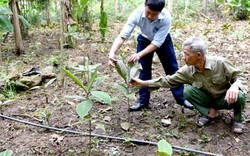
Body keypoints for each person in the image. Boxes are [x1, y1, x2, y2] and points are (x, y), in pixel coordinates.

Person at [130, 36, 248, 134]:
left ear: (198, 55)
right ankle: (210, 113)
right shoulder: (187, 71)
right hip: (208, 100)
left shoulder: (220, 63)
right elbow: (168, 81)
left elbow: (241, 76)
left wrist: (235, 86)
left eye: (186, 54)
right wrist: (143, 83)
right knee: (187, 91)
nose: (183, 57)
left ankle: (238, 119)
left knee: (240, 95)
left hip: (226, 99)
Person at [108, 0, 193, 111]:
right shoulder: (136, 14)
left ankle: (181, 98)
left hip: (163, 41)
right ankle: (143, 101)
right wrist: (112, 53)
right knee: (143, 71)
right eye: (148, 12)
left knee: (172, 68)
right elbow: (122, 36)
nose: (150, 16)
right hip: (144, 39)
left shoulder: (166, 17)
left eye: (154, 14)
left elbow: (157, 43)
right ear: (145, 5)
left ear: (160, 12)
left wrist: (139, 54)